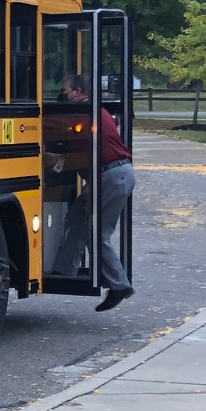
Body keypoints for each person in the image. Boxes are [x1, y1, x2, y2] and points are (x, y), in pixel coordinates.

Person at [52, 72, 136, 310]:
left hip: (109, 176)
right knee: (76, 216)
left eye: (65, 91)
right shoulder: (96, 111)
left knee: (97, 233)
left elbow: (53, 127)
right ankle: (64, 272)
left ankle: (119, 285)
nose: (62, 97)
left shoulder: (84, 113)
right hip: (109, 175)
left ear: (78, 92)